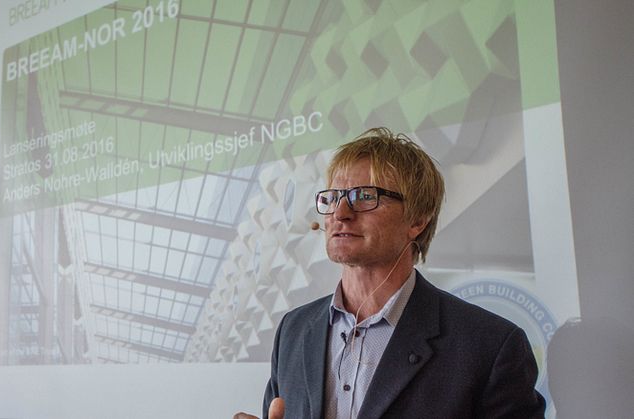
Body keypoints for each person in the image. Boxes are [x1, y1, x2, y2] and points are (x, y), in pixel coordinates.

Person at [234, 127, 545, 419]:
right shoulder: (294, 329)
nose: (340, 214)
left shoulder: (490, 345)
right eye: (332, 198)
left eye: (365, 196)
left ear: (418, 220)